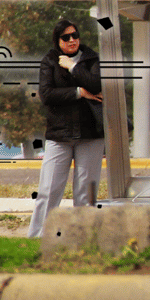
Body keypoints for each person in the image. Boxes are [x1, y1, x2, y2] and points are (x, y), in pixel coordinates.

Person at [27, 19, 105, 239]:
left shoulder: (91, 58)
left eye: (75, 35)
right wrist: (80, 92)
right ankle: (38, 237)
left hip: (91, 134)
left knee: (85, 192)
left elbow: (96, 85)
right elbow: (47, 95)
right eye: (66, 37)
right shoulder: (50, 61)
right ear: (57, 40)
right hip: (59, 135)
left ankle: (84, 238)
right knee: (49, 190)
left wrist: (73, 67)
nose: (72, 40)